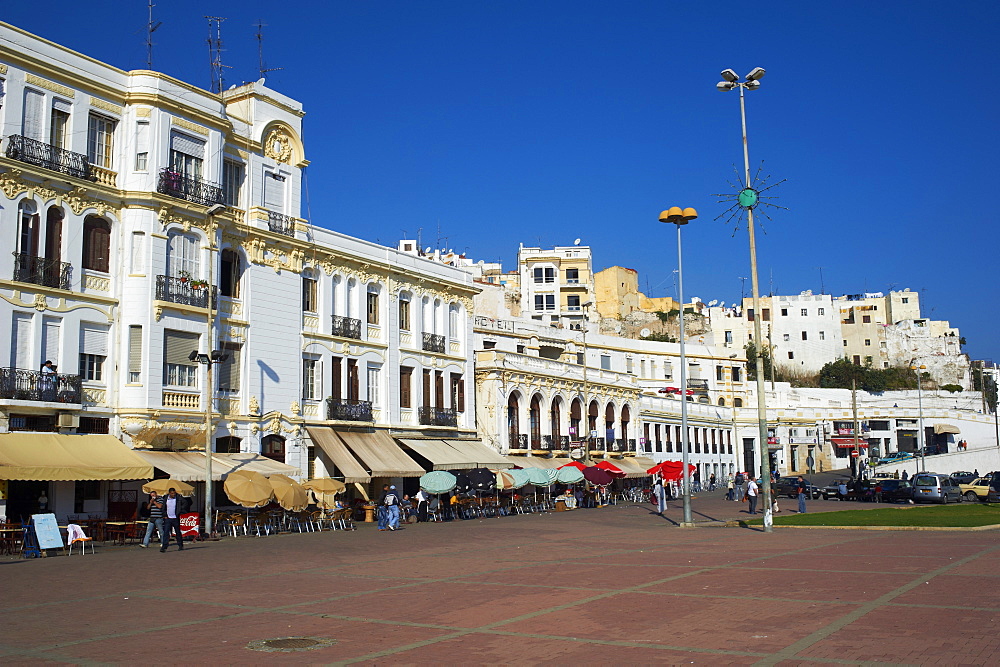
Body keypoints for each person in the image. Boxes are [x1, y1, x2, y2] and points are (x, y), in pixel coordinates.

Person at [160, 488, 186, 552]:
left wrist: (180, 511)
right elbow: (163, 507)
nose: (173, 494)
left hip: (175, 518)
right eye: (172, 493)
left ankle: (180, 545)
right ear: (169, 493)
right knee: (166, 532)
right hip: (168, 518)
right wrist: (164, 515)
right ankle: (164, 546)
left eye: (174, 493)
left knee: (177, 532)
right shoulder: (166, 498)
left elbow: (185, 503)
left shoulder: (178, 498)